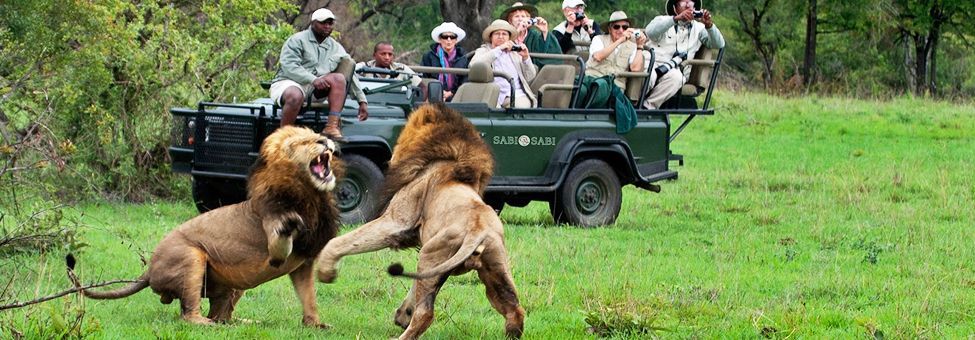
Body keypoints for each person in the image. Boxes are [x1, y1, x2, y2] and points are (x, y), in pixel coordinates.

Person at [269, 8, 368, 140]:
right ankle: (282, 138)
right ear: (313, 23)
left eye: (330, 23)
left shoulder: (335, 46)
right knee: (295, 96)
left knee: (339, 78)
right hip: (288, 82)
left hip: (314, 89)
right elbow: (289, 67)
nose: (327, 26)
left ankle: (331, 127)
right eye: (323, 23)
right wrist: (313, 79)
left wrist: (362, 101)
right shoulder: (297, 40)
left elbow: (350, 70)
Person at [642, 0, 725, 109]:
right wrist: (676, 19)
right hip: (653, 64)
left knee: (678, 78)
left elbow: (719, 44)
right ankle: (631, 105)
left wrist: (709, 25)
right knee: (650, 75)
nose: (688, 4)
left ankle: (647, 108)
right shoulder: (662, 20)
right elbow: (650, 33)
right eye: (684, 1)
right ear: (675, 7)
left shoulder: (699, 28)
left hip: (674, 69)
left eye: (691, 2)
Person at [471, 19, 538, 108]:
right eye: (497, 34)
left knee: (519, 108)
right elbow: (474, 66)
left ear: (509, 38)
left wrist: (526, 58)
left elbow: (530, 76)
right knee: (489, 111)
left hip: (516, 94)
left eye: (504, 34)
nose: (501, 36)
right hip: (491, 94)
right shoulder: (483, 51)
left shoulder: (515, 53)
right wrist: (499, 49)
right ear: (491, 37)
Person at [585, 11, 648, 91]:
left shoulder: (632, 46)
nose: (621, 30)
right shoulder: (598, 39)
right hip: (593, 80)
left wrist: (639, 46)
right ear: (609, 29)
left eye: (624, 27)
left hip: (615, 88)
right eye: (616, 27)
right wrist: (620, 40)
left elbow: (635, 68)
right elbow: (598, 56)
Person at [499, 2, 562, 69]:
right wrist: (517, 31)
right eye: (516, 16)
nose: (520, 19)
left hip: (532, 71)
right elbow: (501, 48)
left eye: (523, 16)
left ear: (529, 19)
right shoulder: (505, 34)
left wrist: (545, 32)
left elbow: (548, 53)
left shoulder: (534, 35)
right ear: (510, 21)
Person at [421, 22, 470, 102]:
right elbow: (424, 78)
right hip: (432, 98)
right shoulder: (428, 57)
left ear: (456, 40)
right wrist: (438, 92)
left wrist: (451, 93)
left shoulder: (463, 58)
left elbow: (465, 81)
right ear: (440, 39)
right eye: (445, 37)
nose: (449, 40)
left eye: (452, 37)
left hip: (457, 99)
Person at [356, 42, 422, 87]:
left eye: (390, 54)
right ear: (374, 55)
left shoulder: (401, 69)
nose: (387, 58)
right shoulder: (364, 67)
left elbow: (422, 87)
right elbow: (349, 72)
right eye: (383, 54)